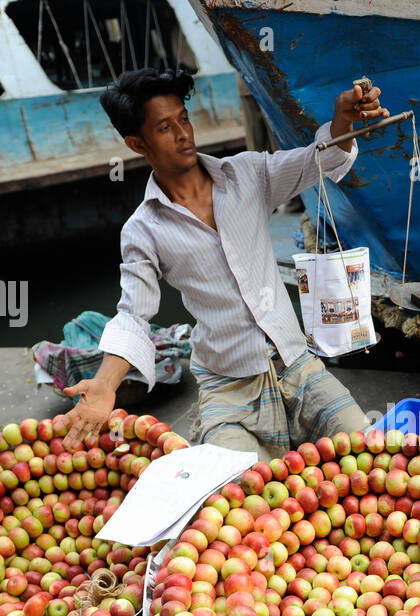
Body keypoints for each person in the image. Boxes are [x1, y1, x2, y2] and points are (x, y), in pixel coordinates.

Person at [63, 69, 387, 458]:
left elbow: (316, 161)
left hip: (296, 365)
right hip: (227, 386)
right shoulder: (143, 229)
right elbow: (134, 314)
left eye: (183, 118)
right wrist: (105, 385)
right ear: (137, 144)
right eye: (164, 127)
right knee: (240, 494)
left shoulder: (247, 174)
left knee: (368, 452)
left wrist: (342, 120)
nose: (183, 133)